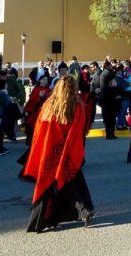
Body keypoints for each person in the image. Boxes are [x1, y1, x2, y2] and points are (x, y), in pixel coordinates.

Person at [23, 75, 94, 232]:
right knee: (66, 182)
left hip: (50, 150)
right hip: (68, 151)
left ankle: (40, 223)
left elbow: (41, 128)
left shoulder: (49, 104)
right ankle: (83, 210)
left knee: (49, 185)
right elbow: (78, 130)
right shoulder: (78, 105)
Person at [23, 75, 51, 146]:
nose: (45, 81)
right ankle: (31, 140)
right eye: (44, 79)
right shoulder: (36, 89)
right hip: (35, 111)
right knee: (32, 125)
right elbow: (32, 100)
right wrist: (40, 97)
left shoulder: (48, 89)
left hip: (45, 111)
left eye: (46, 80)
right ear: (40, 80)